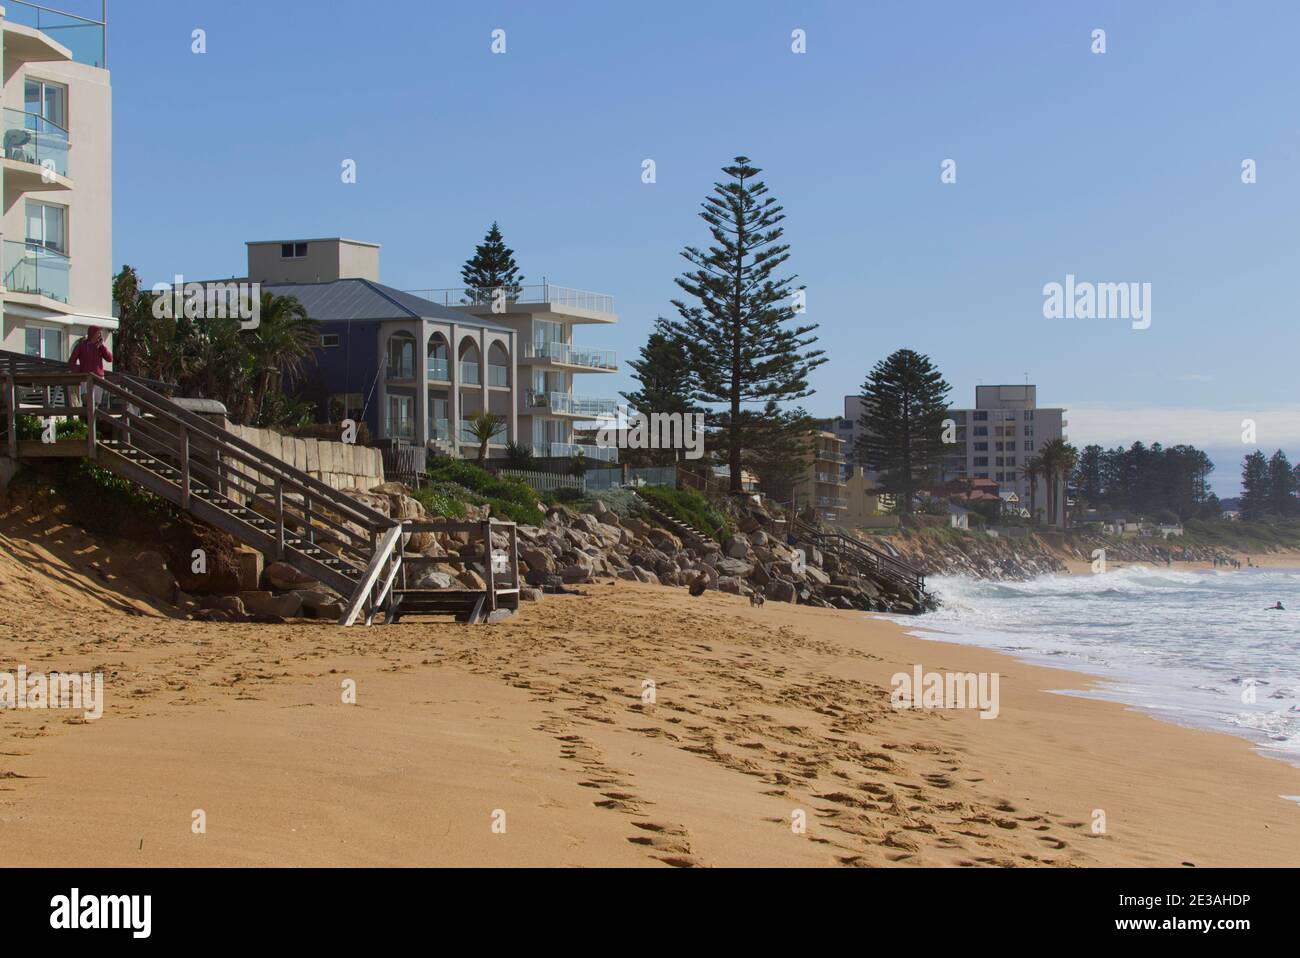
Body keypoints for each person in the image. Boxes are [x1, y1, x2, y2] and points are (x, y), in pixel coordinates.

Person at [67, 326, 112, 410]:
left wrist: (102, 346)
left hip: (99, 377)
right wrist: (79, 371)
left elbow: (109, 359)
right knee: (87, 400)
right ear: (92, 334)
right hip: (86, 377)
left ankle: (95, 421)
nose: (100, 335)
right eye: (98, 333)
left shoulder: (100, 346)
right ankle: (86, 420)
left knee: (96, 403)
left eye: (100, 333)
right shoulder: (82, 345)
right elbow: (71, 362)